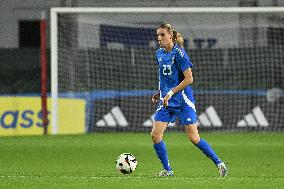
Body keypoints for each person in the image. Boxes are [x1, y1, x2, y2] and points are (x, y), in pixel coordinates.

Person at [151, 23, 228, 177]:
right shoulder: (159, 54)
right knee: (155, 135)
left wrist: (170, 93)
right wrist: (160, 92)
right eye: (158, 35)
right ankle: (168, 170)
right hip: (166, 100)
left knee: (193, 138)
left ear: (170, 36)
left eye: (162, 35)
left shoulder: (179, 53)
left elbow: (189, 79)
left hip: (182, 101)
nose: (159, 38)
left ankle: (219, 163)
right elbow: (165, 78)